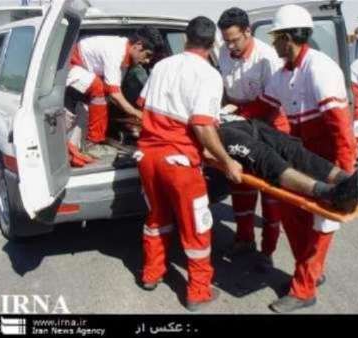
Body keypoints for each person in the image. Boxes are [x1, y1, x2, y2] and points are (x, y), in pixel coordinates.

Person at [235, 4, 358, 312]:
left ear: (288, 38)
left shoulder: (320, 69)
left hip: (328, 155)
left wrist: (345, 180)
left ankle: (304, 288)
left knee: (322, 224)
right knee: (294, 215)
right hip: (301, 150)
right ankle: (308, 272)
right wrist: (231, 118)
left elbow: (341, 131)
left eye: (276, 37)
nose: (273, 43)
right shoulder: (283, 75)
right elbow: (263, 106)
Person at [135, 16, 243, 312]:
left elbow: (143, 106)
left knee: (156, 217)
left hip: (147, 157)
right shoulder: (208, 75)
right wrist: (227, 160)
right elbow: (203, 126)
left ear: (186, 38)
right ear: (212, 45)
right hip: (179, 163)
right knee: (196, 227)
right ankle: (197, 291)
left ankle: (151, 273)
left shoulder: (161, 66)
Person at [217, 8, 288, 268]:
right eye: (226, 41)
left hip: (269, 124)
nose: (231, 46)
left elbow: (272, 102)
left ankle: (267, 252)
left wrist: (241, 115)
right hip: (238, 119)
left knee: (271, 195)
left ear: (248, 32)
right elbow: (224, 88)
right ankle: (244, 239)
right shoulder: (224, 51)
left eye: (235, 40)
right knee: (241, 187)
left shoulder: (267, 58)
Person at [214, 117, 358, 214]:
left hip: (244, 122)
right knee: (265, 158)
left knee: (294, 150)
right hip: (219, 134)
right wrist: (223, 159)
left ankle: (354, 183)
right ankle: (331, 194)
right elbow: (198, 130)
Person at [66, 26, 164, 162]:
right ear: (138, 45)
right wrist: (138, 114)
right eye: (147, 55)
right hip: (70, 64)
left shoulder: (126, 57)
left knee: (101, 92)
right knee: (98, 88)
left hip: (83, 72)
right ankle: (93, 143)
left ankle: (88, 142)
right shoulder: (115, 51)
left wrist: (125, 118)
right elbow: (114, 95)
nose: (147, 61)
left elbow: (115, 94)